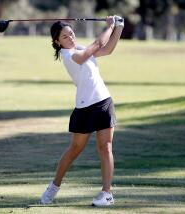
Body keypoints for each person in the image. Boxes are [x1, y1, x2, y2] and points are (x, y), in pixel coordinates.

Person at [41, 15, 124, 206]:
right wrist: (109, 27)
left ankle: (106, 194)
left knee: (106, 147)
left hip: (103, 102)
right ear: (57, 42)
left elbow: (107, 49)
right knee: (75, 149)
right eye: (65, 37)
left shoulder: (79, 48)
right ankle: (53, 187)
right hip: (84, 108)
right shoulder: (69, 56)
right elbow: (95, 45)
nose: (70, 38)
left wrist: (119, 26)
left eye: (71, 33)